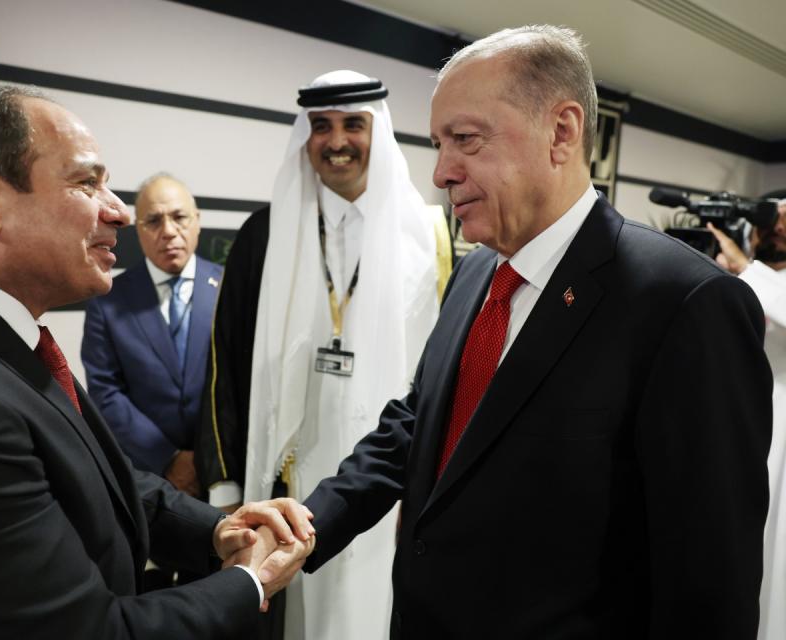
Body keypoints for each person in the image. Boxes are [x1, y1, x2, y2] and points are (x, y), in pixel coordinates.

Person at [300, 26, 772, 639]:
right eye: (439, 143)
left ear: (563, 131)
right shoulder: (473, 272)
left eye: (466, 140)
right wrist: (308, 521)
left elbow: (710, 585)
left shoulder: (685, 303)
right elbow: (422, 423)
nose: (441, 172)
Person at [0, 84, 313, 639]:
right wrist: (251, 581)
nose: (122, 212)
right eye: (87, 182)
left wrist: (217, 528)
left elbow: (90, 469)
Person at [195, 70, 451, 639]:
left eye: (352, 124)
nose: (336, 141)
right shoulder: (264, 235)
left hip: (388, 486)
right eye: (320, 126)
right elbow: (225, 368)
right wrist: (225, 491)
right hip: (286, 480)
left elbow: (442, 378)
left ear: (376, 131)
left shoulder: (430, 237)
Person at [82, 173, 221, 498]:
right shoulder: (108, 301)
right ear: (138, 229)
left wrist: (211, 458)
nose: (169, 231)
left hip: (227, 473)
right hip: (150, 480)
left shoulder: (231, 289)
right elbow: (106, 392)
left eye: (179, 217)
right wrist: (169, 459)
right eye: (154, 221)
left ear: (197, 221)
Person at [708, 204, 786, 640]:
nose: (776, 231)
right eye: (769, 224)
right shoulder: (732, 282)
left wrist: (746, 268)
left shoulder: (757, 280)